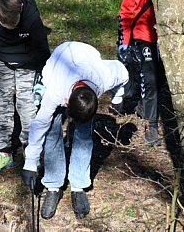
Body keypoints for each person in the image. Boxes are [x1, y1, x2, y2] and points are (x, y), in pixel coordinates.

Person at [19, 41, 128, 220]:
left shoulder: (104, 77)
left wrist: (118, 97)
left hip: (87, 57)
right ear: (67, 102)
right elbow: (39, 125)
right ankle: (53, 186)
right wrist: (30, 163)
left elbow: (123, 72)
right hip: (59, 62)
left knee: (84, 135)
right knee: (52, 131)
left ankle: (78, 186)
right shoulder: (55, 91)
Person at [0, 0, 50, 174]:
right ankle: (4, 152)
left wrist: (44, 72)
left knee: (27, 106)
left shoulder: (31, 15)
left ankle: (31, 150)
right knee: (2, 106)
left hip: (26, 61)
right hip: (0, 59)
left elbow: (41, 44)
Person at [118, 0, 164, 146]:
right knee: (151, 79)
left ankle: (144, 106)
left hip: (165, 36)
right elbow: (126, 12)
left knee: (160, 78)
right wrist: (125, 42)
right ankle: (151, 126)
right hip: (142, 36)